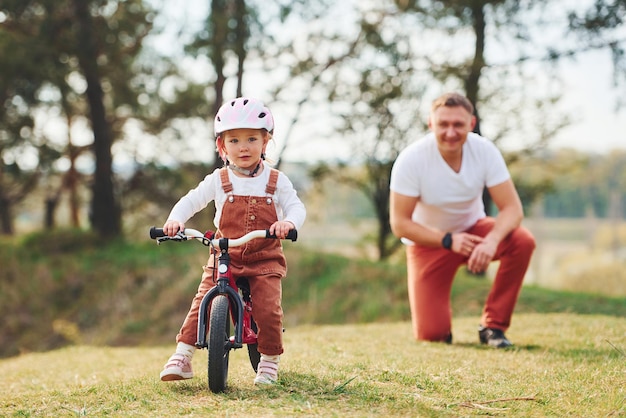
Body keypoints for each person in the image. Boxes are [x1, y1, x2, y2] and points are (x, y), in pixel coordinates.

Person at [159, 97, 306, 384]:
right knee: (201, 300)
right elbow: (191, 201)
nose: (244, 147)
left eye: (252, 138)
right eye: (235, 140)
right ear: (222, 147)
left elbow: (296, 207)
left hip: (265, 258)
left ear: (266, 143)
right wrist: (176, 220)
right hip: (225, 255)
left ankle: (269, 360)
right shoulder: (218, 179)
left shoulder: (276, 180)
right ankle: (183, 354)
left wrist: (287, 223)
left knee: (268, 309)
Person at [389, 92, 535, 348]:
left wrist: (490, 242)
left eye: (458, 124)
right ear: (431, 124)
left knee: (522, 241)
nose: (450, 132)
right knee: (431, 335)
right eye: (443, 124)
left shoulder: (485, 151)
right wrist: (447, 240)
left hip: (474, 233)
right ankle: (439, 325)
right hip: (429, 243)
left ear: (471, 123)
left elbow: (513, 209)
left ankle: (493, 327)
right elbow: (400, 223)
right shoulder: (411, 159)